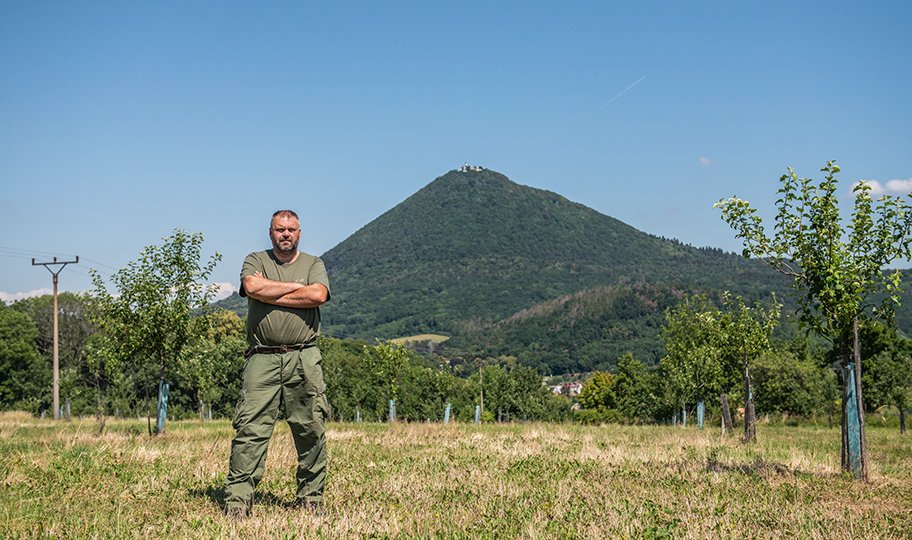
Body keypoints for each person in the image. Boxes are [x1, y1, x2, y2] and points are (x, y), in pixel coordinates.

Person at [224, 209, 331, 519]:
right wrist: (299, 291)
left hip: (304, 357)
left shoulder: (313, 263)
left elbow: (319, 295)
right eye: (280, 229)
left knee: (310, 427)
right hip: (262, 357)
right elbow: (253, 287)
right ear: (270, 232)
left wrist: (270, 292)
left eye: (291, 229)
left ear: (300, 232)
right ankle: (238, 501)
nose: (286, 234)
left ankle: (311, 498)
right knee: (250, 429)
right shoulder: (256, 259)